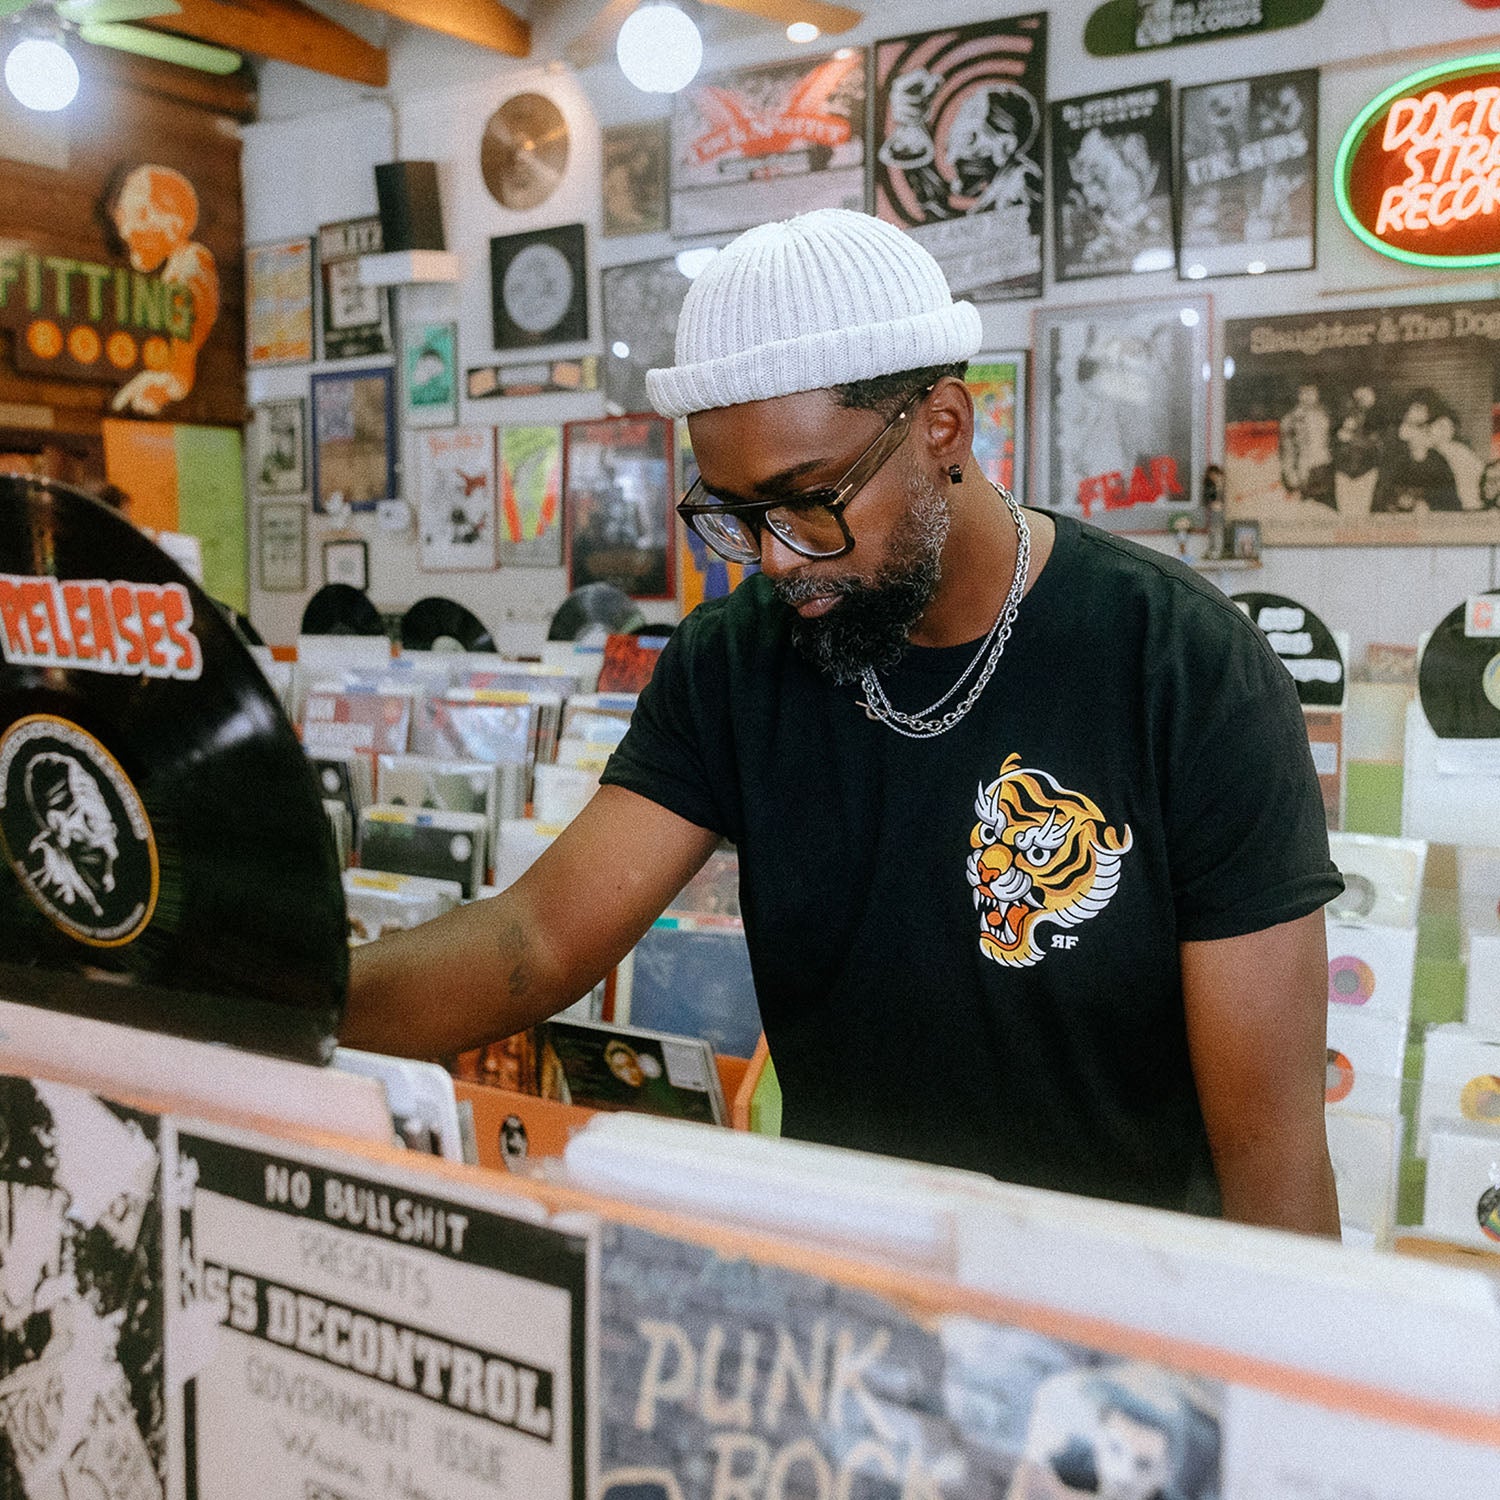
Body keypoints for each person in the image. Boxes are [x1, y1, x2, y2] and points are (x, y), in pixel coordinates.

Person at [347, 209, 1341, 1234]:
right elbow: (536, 940)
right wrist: (267, 993)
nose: (776, 559)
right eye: (736, 512)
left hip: (1114, 1322)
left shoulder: (1180, 665)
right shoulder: (733, 664)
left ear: (944, 427)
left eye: (810, 500)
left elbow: (1271, 1150)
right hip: (840, 1300)